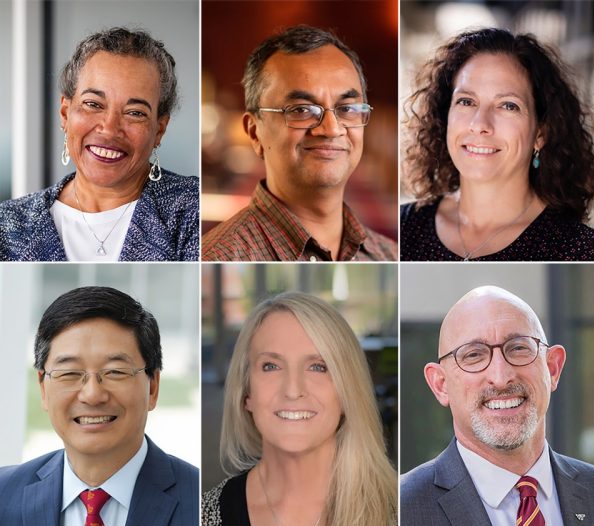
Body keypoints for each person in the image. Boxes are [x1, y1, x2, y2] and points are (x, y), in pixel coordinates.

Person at [0, 286, 199, 525]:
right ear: (43, 388)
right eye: (70, 372)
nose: (92, 395)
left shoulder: (199, 501)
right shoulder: (4, 495)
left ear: (153, 386)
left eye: (115, 371)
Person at [401, 286, 594, 526]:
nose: (501, 377)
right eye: (474, 355)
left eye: (518, 348)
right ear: (441, 385)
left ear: (552, 368)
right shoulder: (399, 508)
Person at [0, 27, 199, 261]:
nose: (109, 129)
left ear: (159, 130)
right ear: (65, 114)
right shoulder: (7, 227)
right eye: (93, 104)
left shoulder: (192, 208)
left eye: (135, 112)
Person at [400, 28, 594, 261]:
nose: (480, 124)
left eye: (508, 105)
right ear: (445, 117)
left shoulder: (576, 249)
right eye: (466, 101)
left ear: (541, 132)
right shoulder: (405, 227)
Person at [201, 26, 397, 261]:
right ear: (255, 132)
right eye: (302, 110)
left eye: (346, 109)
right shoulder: (219, 257)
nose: (331, 128)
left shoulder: (388, 254)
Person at [201, 292, 397, 525]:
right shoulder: (203, 515)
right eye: (271, 366)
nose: (293, 390)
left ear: (347, 393)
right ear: (246, 394)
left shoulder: (399, 511)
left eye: (317, 367)